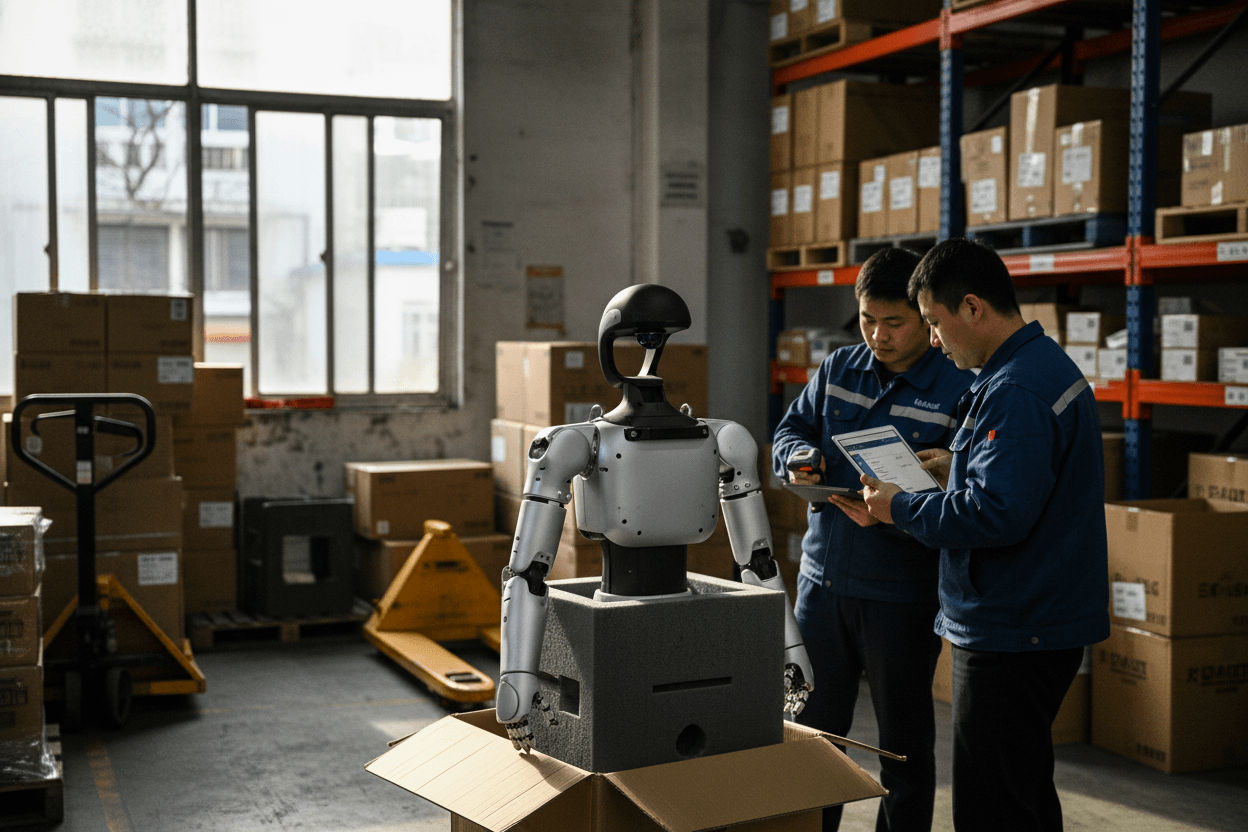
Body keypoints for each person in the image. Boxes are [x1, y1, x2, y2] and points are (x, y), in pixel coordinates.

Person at [854, 238, 1110, 832]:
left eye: (934, 324)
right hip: (1029, 619)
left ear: (972, 307)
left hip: (1014, 627)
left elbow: (996, 515)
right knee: (1017, 791)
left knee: (993, 806)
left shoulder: (1015, 389)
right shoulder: (1031, 369)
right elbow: (1015, 485)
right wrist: (956, 467)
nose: (933, 341)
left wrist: (902, 507)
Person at [772, 247, 975, 832]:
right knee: (813, 738)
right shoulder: (839, 369)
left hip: (902, 593)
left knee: (902, 749)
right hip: (823, 585)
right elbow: (791, 429)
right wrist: (798, 458)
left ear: (925, 318)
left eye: (895, 323)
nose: (878, 337)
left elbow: (964, 493)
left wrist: (901, 508)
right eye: (867, 320)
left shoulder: (957, 384)